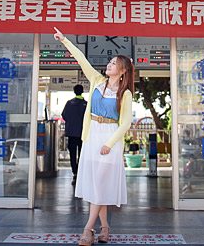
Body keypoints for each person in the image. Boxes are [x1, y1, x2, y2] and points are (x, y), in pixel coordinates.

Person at [53, 27, 133, 246]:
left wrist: (109, 144)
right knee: (99, 186)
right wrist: (64, 41)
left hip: (109, 139)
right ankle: (105, 228)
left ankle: (88, 229)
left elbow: (125, 123)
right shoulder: (97, 81)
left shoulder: (125, 94)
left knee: (99, 184)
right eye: (110, 62)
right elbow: (81, 59)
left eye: (114, 63)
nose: (109, 64)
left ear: (123, 70)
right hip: (92, 136)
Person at [61, 84, 87, 185]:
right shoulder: (86, 104)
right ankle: (80, 173)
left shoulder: (69, 103)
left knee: (72, 154)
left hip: (71, 133)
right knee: (82, 154)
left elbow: (64, 115)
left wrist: (71, 122)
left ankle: (75, 173)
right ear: (82, 91)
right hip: (82, 134)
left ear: (74, 91)